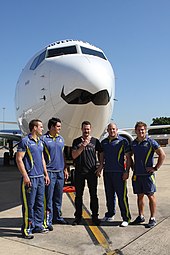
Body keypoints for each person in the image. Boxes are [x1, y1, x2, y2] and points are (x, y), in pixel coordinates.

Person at [16, 119, 50, 239]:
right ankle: (27, 229)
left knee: (40, 203)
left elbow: (42, 159)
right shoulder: (25, 141)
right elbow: (19, 159)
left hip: (40, 177)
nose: (42, 129)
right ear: (34, 128)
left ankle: (38, 225)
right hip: (30, 178)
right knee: (29, 204)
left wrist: (46, 174)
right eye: (40, 126)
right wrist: (25, 175)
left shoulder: (40, 142)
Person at [130, 121, 166, 228]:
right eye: (139, 130)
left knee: (150, 196)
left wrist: (155, 168)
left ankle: (152, 218)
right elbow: (128, 156)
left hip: (147, 176)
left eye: (143, 130)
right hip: (137, 175)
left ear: (145, 131)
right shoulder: (133, 143)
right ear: (136, 131)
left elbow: (162, 155)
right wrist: (132, 167)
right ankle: (141, 216)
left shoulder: (151, 142)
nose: (141, 132)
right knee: (139, 196)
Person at [98, 123, 132, 227]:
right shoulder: (104, 142)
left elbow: (128, 157)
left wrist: (126, 171)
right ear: (107, 130)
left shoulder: (123, 141)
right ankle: (110, 214)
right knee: (109, 195)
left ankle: (126, 218)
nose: (112, 131)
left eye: (113, 129)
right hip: (108, 172)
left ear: (116, 130)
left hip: (119, 173)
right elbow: (102, 156)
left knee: (122, 196)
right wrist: (100, 167)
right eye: (110, 129)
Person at [71, 120, 103, 226]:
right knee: (78, 196)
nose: (86, 131)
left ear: (90, 129)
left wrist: (100, 165)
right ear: (81, 129)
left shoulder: (95, 141)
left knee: (93, 195)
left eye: (88, 129)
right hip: (80, 172)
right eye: (85, 129)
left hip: (92, 172)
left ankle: (95, 216)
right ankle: (78, 217)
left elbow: (101, 152)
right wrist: (83, 145)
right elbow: (74, 155)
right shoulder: (76, 141)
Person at [42, 117, 68, 231]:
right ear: (52, 127)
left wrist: (65, 168)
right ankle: (48, 219)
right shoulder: (43, 139)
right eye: (58, 126)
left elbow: (62, 155)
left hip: (60, 172)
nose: (60, 128)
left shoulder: (61, 139)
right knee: (49, 197)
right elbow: (41, 157)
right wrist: (45, 173)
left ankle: (57, 216)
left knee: (58, 196)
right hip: (50, 172)